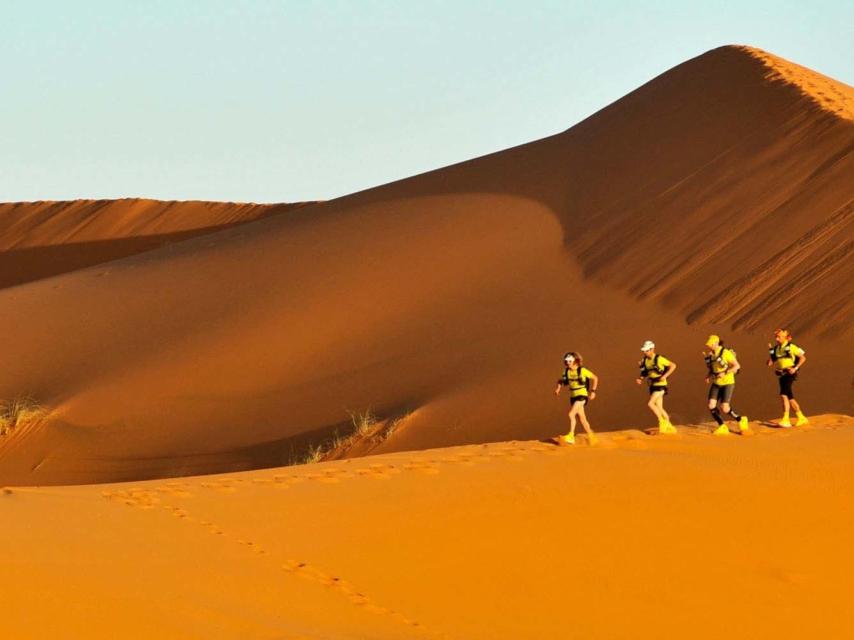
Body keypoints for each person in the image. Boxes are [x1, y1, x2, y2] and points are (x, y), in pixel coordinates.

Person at [703, 335, 750, 435]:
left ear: (716, 343)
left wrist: (725, 373)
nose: (709, 346)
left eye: (710, 344)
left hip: (727, 383)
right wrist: (708, 376)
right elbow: (712, 368)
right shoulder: (712, 354)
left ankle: (740, 419)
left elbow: (737, 366)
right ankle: (722, 426)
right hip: (716, 383)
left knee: (725, 407)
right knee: (711, 405)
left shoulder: (725, 353)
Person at [554, 352, 599, 445]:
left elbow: (595, 378)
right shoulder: (566, 371)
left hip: (582, 395)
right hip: (573, 396)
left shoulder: (582, 370)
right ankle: (592, 436)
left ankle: (571, 436)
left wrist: (593, 391)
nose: (567, 362)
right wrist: (558, 388)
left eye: (569, 360)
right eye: (566, 360)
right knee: (582, 418)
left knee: (571, 414)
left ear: (575, 361)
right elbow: (561, 380)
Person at [767, 329, 808, 427]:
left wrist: (795, 368)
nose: (777, 339)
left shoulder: (791, 347)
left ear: (785, 337)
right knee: (790, 397)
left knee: (783, 394)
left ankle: (786, 419)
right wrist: (770, 361)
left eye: (779, 337)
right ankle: (801, 417)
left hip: (790, 373)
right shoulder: (776, 348)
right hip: (782, 374)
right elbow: (772, 361)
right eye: (776, 337)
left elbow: (803, 358)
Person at [635, 340, 677, 434]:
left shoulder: (659, 359)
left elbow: (673, 365)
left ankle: (661, 422)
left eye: (646, 350)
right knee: (659, 407)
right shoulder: (645, 360)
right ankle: (669, 427)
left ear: (652, 349)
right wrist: (640, 379)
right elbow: (644, 372)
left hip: (661, 385)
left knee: (650, 404)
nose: (645, 352)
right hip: (652, 385)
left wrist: (665, 376)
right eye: (644, 351)